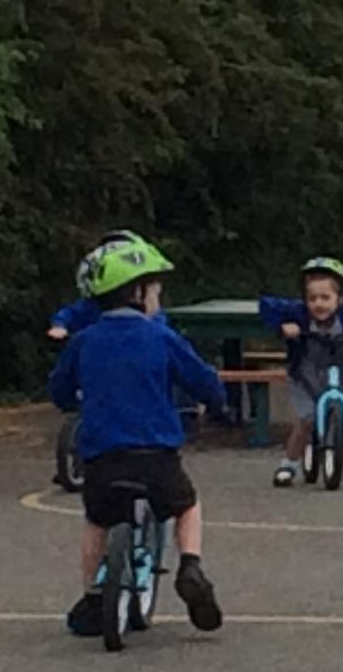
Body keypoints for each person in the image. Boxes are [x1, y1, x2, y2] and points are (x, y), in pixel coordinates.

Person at [46, 234, 229, 637]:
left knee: (97, 521)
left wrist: (73, 400)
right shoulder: (161, 336)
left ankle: (93, 596)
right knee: (186, 505)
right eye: (156, 289)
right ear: (138, 292)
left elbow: (59, 389)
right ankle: (191, 566)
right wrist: (218, 403)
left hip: (102, 459)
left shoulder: (84, 341)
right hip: (156, 456)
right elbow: (203, 380)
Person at [258, 256, 343, 487]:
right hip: (306, 373)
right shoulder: (299, 313)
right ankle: (288, 465)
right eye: (312, 299)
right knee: (307, 420)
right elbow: (267, 305)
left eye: (325, 298)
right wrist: (283, 327)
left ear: (340, 299)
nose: (319, 304)